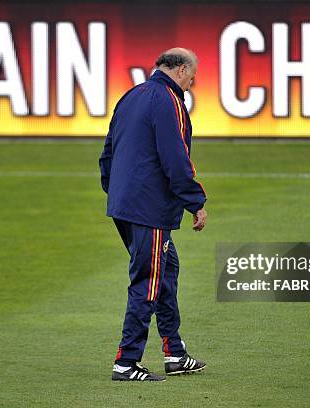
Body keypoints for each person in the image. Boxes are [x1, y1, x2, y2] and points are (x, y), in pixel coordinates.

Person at [99, 48, 208, 382]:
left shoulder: (131, 96)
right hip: (149, 208)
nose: (194, 80)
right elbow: (175, 156)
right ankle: (126, 362)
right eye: (193, 73)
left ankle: (174, 353)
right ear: (180, 70)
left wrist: (116, 191)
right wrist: (195, 201)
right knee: (147, 281)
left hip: (125, 205)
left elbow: (108, 152)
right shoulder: (169, 101)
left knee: (166, 270)